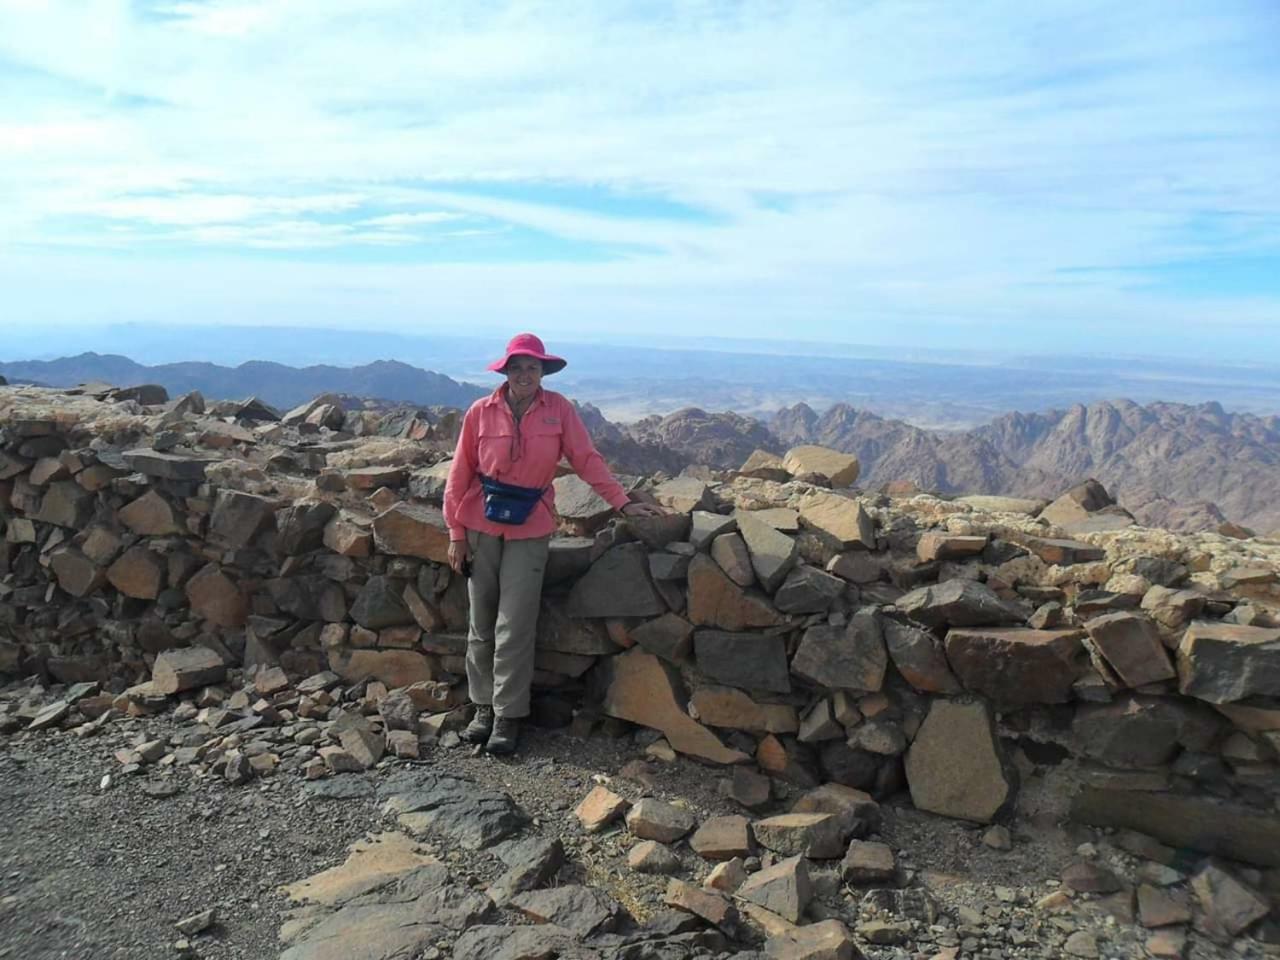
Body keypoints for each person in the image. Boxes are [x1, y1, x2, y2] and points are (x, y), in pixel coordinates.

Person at [443, 333, 666, 755]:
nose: (525, 374)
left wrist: (622, 503)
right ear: (505, 371)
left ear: (543, 372)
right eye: (517, 367)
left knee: (515, 624)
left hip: (531, 527)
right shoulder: (480, 412)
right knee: (480, 622)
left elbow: (586, 459)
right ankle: (482, 709)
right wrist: (455, 533)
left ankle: (508, 716)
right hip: (479, 526)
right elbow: (459, 475)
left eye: (533, 367)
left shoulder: (559, 410)